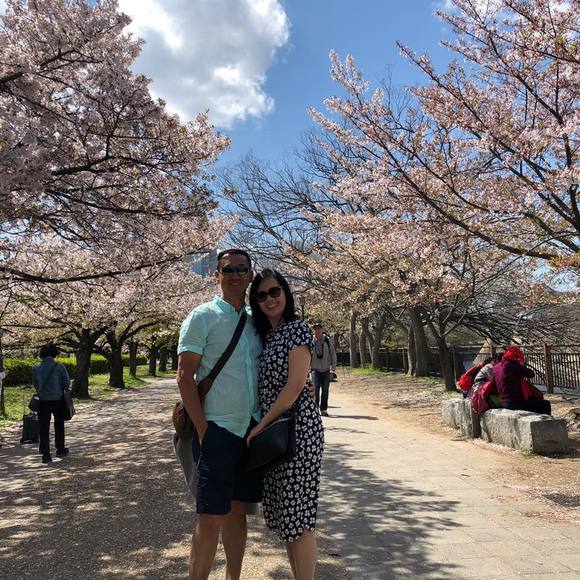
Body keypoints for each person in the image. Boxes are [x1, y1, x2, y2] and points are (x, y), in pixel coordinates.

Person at [176, 249, 263, 580]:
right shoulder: (202, 316)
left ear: (250, 274)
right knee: (210, 516)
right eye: (229, 270)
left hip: (250, 430)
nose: (236, 275)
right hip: (217, 429)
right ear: (217, 275)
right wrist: (203, 430)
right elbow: (185, 377)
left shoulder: (256, 320)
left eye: (242, 269)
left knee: (238, 514)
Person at [248, 269, 324, 580]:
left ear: (285, 292)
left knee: (299, 519)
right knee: (288, 520)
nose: (269, 299)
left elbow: (294, 387)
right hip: (276, 434)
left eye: (274, 291)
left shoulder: (298, 329)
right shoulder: (267, 335)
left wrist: (261, 425)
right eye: (261, 295)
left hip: (298, 430)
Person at [32, 343, 70, 464]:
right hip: (58, 400)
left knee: (43, 427)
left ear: (42, 354)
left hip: (42, 401)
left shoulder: (36, 368)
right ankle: (60, 449)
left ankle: (46, 454)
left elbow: (35, 384)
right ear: (54, 353)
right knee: (59, 424)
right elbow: (66, 384)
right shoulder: (59, 366)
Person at [492, 345, 551, 415]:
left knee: (534, 402)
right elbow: (531, 374)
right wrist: (519, 365)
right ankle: (546, 422)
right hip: (515, 403)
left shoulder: (496, 367)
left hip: (503, 402)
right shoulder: (512, 365)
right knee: (545, 404)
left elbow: (493, 382)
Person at [310, 323, 337, 416]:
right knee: (315, 389)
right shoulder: (310, 341)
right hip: (315, 369)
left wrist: (334, 364)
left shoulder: (327, 340)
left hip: (326, 369)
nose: (317, 331)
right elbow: (306, 355)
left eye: (319, 329)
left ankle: (324, 409)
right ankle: (315, 409)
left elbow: (332, 353)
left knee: (325, 390)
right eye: (315, 329)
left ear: (322, 330)